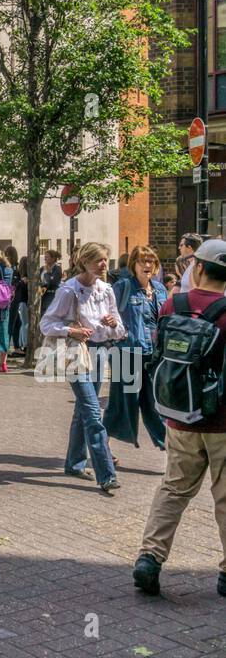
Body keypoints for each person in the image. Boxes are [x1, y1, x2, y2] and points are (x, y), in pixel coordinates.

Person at [133, 238, 226, 598]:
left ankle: (150, 558)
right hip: (220, 421)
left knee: (173, 489)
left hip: (179, 416)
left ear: (198, 268)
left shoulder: (174, 303)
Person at [40, 242, 126, 495]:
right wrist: (71, 330)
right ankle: (106, 473)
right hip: (77, 354)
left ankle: (74, 463)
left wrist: (113, 324)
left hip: (101, 353)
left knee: (82, 410)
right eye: (98, 260)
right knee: (92, 412)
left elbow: (119, 329)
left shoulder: (106, 290)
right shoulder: (69, 291)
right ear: (85, 262)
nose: (103, 265)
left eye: (105, 260)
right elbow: (46, 324)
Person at [105, 245, 167, 457]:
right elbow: (107, 314)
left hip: (152, 355)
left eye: (151, 261)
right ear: (134, 265)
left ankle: (171, 450)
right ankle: (102, 447)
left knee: (155, 404)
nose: (147, 265)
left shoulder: (160, 290)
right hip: (126, 353)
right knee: (121, 403)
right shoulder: (123, 287)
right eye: (143, 261)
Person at [39, 250, 62, 316]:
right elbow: (38, 280)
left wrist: (48, 273)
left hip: (51, 295)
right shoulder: (42, 269)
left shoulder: (57, 269)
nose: (45, 258)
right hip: (42, 295)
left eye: (47, 257)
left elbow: (54, 282)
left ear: (53, 258)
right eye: (44, 257)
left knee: (47, 314)